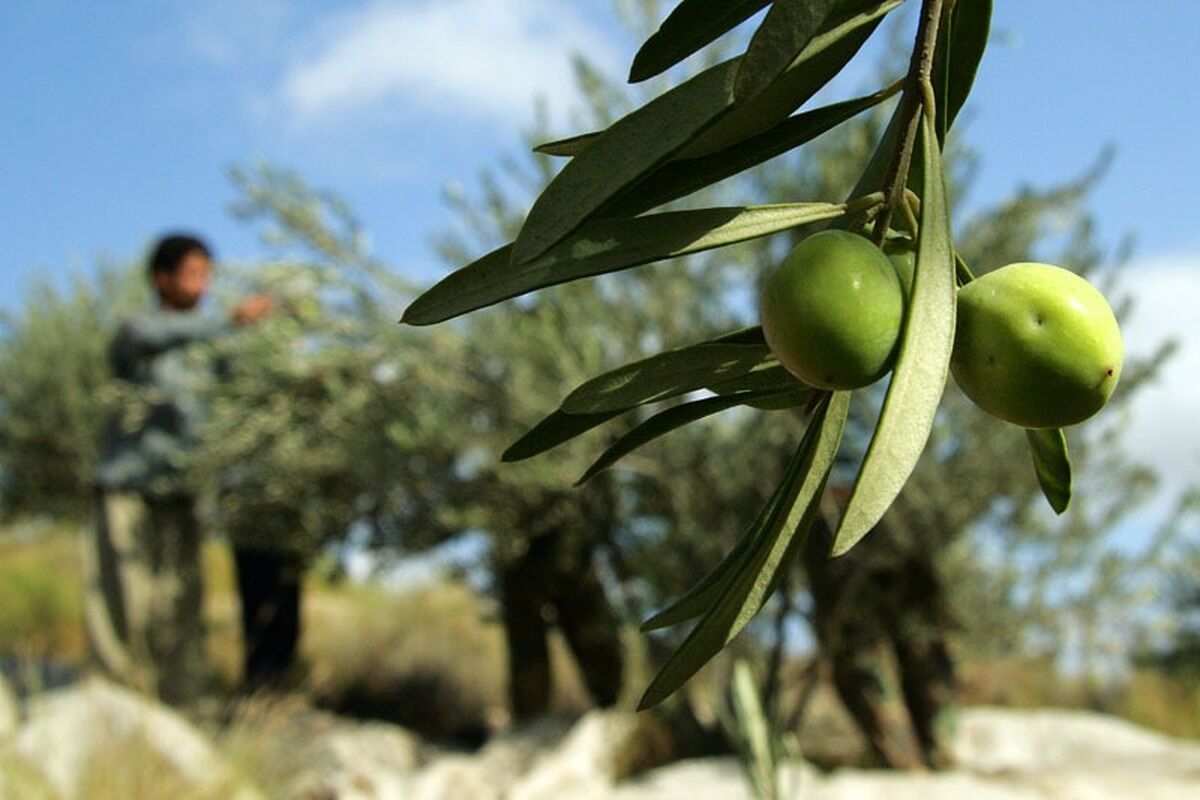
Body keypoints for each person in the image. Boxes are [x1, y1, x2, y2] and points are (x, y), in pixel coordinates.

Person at [85, 233, 271, 704]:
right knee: (123, 600)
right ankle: (115, 702)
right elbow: (152, 338)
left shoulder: (213, 346)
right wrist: (228, 323)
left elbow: (240, 391)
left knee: (182, 605)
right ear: (160, 278)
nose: (201, 285)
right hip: (128, 487)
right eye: (192, 274)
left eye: (207, 275)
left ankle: (184, 706)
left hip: (184, 492)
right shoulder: (138, 329)